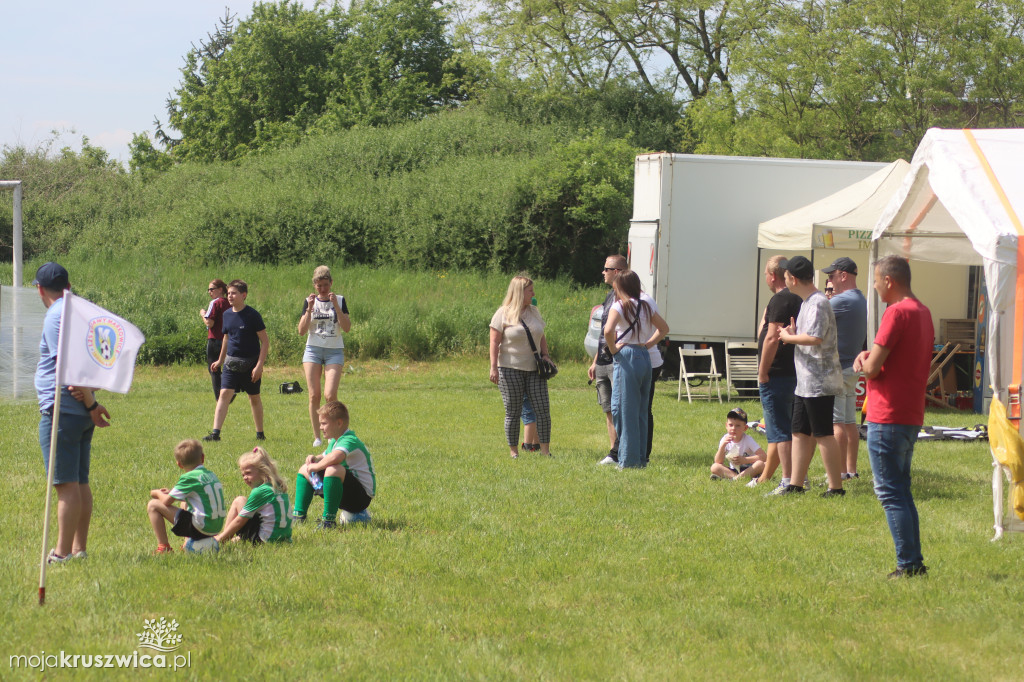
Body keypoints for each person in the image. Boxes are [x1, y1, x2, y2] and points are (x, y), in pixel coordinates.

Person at [854, 256, 933, 578]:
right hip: (910, 412)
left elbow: (873, 368)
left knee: (890, 492)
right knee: (902, 489)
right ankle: (913, 561)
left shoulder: (895, 312)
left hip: (886, 413)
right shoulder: (923, 312)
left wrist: (864, 361)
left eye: (875, 280)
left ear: (889, 281)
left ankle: (908, 564)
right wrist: (870, 356)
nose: (873, 286)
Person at [33, 262, 112, 564]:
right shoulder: (80, 312)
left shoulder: (56, 315)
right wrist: (91, 397)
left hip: (62, 410)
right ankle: (79, 549)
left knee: (66, 484)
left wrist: (91, 402)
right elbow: (96, 357)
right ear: (67, 286)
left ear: (40, 289)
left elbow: (67, 364)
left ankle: (61, 553)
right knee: (79, 482)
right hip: (78, 409)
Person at [777, 255, 845, 496]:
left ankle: (835, 487)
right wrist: (795, 332)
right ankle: (795, 484)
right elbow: (810, 335)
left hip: (819, 382)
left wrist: (788, 338)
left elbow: (815, 339)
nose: (785, 283)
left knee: (823, 433)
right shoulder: (806, 302)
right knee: (799, 431)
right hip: (805, 382)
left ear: (793, 279)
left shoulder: (817, 303)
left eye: (785, 278)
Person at [603, 270, 669, 469]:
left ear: (621, 287)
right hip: (644, 356)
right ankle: (640, 458)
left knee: (624, 409)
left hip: (627, 357)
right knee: (641, 409)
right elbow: (664, 328)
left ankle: (628, 460)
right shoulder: (646, 304)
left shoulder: (620, 305)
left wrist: (614, 348)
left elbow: (607, 330)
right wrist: (647, 344)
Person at [489, 275, 554, 458]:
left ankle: (545, 452)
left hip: (535, 370)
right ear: (519, 292)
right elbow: (494, 342)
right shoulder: (502, 313)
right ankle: (514, 452)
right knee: (513, 411)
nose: (533, 294)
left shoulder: (534, 311)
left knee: (543, 410)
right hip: (509, 369)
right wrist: (493, 367)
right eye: (530, 290)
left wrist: (546, 355)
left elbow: (541, 335)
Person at [753, 256, 803, 492]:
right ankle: (796, 477)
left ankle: (788, 480)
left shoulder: (781, 300)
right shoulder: (797, 299)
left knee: (779, 430)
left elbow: (772, 338)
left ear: (772, 275)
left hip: (777, 373)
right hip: (792, 372)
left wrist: (763, 373)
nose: (765, 278)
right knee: (790, 428)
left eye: (765, 273)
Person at [293, 401, 376, 529]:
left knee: (333, 469)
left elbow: (336, 457)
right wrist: (315, 459)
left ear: (339, 423)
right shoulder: (334, 440)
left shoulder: (349, 439)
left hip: (360, 499)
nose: (320, 427)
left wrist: (316, 466)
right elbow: (326, 455)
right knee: (304, 469)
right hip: (339, 492)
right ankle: (298, 516)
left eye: (324, 423)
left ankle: (328, 521)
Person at [204, 279, 269, 442]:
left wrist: (259, 366)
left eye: (233, 293)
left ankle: (260, 434)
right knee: (224, 394)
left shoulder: (253, 315)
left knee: (254, 397)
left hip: (251, 363)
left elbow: (265, 342)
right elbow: (226, 338)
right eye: (229, 293)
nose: (230, 296)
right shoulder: (226, 314)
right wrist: (220, 360)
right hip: (230, 363)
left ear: (244, 295)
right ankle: (215, 433)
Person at [822, 257, 867, 480]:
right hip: (852, 369)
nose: (829, 282)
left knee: (837, 422)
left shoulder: (841, 301)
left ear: (843, 276)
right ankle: (851, 470)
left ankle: (838, 473)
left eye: (831, 276)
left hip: (838, 369)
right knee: (850, 422)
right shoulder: (860, 298)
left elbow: (815, 315)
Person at [298, 265, 351, 447]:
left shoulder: (341, 300)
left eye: (326, 285)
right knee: (314, 395)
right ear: (314, 284)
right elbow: (301, 331)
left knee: (330, 395)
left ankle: (334, 434)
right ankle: (318, 437)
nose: (322, 289)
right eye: (319, 285)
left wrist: (335, 304)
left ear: (331, 283)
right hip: (313, 350)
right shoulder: (309, 301)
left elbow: (346, 327)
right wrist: (309, 309)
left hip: (334, 351)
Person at [147, 439, 226, 554]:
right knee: (184, 502)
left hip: (201, 528)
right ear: (203, 458)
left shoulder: (189, 478)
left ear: (179, 464)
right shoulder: (211, 475)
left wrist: (157, 493)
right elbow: (198, 496)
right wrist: (172, 492)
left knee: (153, 505)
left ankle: (163, 547)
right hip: (216, 527)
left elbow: (166, 502)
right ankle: (186, 543)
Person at [589, 255, 626, 465]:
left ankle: (622, 451)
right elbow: (603, 333)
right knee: (608, 410)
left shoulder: (625, 298)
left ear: (617, 272)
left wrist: (614, 352)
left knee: (619, 408)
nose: (603, 272)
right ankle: (613, 452)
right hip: (602, 361)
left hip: (617, 361)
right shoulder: (610, 295)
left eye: (606, 269)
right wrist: (595, 361)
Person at [215, 447, 293, 545]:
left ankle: (222, 539)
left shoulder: (259, 492)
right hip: (285, 539)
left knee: (239, 501)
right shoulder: (277, 486)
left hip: (266, 540)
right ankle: (232, 538)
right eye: (242, 475)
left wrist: (219, 539)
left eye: (248, 473)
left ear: (263, 471)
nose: (245, 478)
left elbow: (240, 520)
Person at [710, 407, 767, 481]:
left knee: (760, 464)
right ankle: (737, 479)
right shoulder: (725, 439)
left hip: (749, 468)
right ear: (726, 426)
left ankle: (734, 480)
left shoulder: (748, 440)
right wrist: (722, 447)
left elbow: (764, 457)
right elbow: (718, 461)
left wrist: (745, 460)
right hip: (733, 470)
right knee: (714, 467)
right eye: (731, 425)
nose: (733, 428)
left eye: (738, 426)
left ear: (745, 428)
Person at [201, 279, 231, 401]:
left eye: (211, 289)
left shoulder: (215, 302)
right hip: (229, 340)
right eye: (208, 290)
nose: (209, 292)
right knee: (228, 367)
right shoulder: (229, 302)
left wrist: (203, 314)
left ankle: (220, 398)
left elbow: (210, 323)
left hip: (215, 340)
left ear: (220, 290)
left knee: (213, 369)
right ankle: (229, 390)